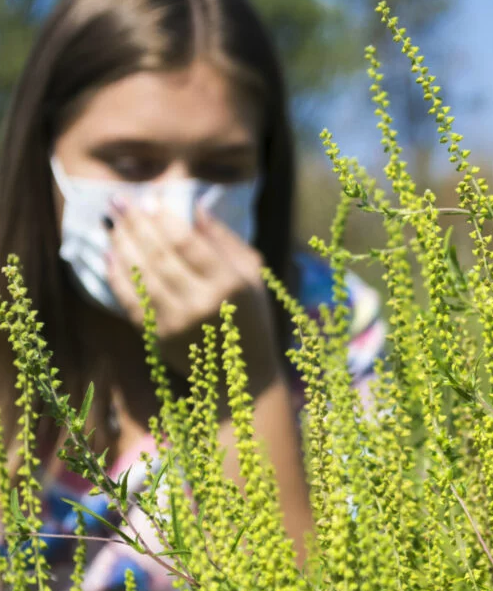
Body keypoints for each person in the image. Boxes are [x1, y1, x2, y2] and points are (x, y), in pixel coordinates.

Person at [0, 0, 386, 588]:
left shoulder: (330, 326)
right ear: (44, 152)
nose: (177, 211)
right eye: (131, 162)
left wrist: (247, 380)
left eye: (222, 168)